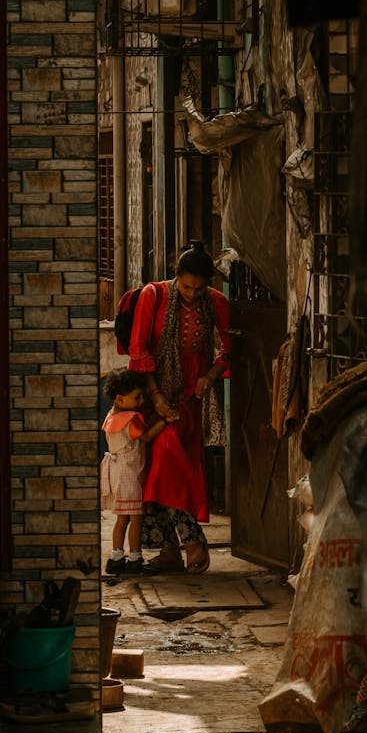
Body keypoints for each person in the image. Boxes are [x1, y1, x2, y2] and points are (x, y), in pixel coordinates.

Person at [127, 241, 231, 574]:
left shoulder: (216, 303)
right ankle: (174, 547)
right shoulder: (153, 296)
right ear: (176, 278)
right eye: (186, 287)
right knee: (150, 470)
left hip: (190, 400)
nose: (191, 294)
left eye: (199, 289)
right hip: (151, 394)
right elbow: (139, 351)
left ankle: (187, 540)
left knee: (170, 466)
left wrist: (211, 376)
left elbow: (230, 349)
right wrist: (156, 396)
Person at [100, 367, 179, 575]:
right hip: (130, 473)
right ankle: (135, 558)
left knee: (121, 519)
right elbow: (147, 436)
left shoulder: (111, 415)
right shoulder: (131, 418)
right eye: (137, 397)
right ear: (120, 398)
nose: (142, 401)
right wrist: (164, 421)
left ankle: (116, 557)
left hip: (116, 471)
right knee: (136, 518)